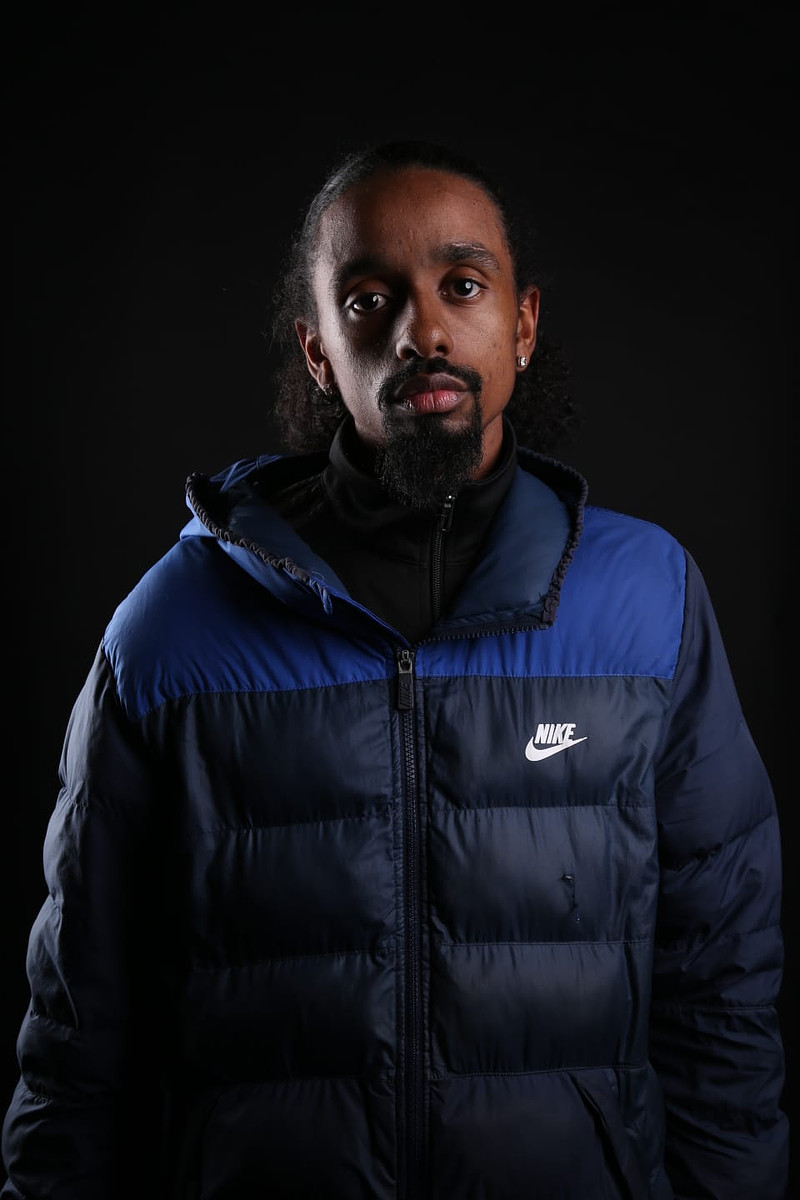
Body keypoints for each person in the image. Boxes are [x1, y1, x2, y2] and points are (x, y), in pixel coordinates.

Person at [1, 139, 789, 1199]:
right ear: (318, 351)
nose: (422, 332)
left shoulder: (649, 601)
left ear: (521, 324)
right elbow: (80, 1023)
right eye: (369, 300)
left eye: (461, 285)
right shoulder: (173, 630)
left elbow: (722, 982)